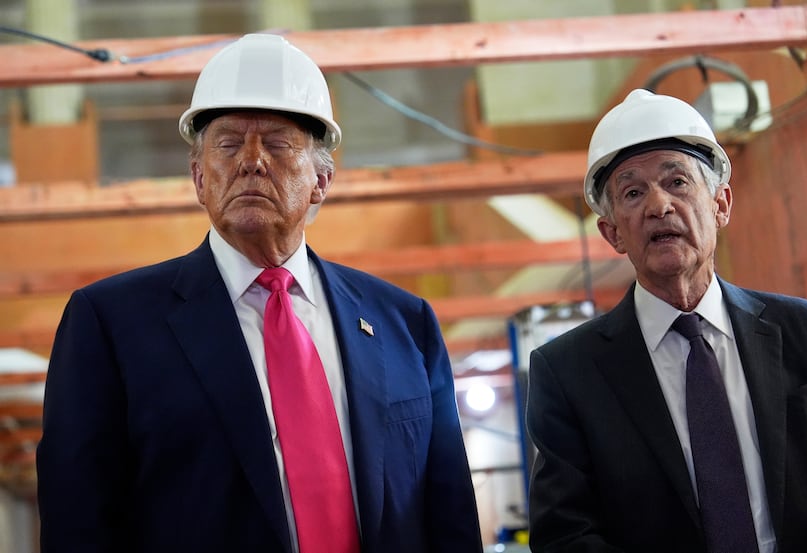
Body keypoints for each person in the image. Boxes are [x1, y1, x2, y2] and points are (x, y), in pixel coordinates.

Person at [36, 33, 483, 553]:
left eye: (277, 142)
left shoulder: (405, 323)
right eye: (227, 144)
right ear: (199, 177)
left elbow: (449, 513)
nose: (252, 160)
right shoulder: (110, 325)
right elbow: (78, 525)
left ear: (321, 181)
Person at [526, 89, 807, 553]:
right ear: (612, 234)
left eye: (678, 182)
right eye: (632, 192)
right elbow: (565, 534)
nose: (658, 206)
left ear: (721, 204)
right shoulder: (567, 373)